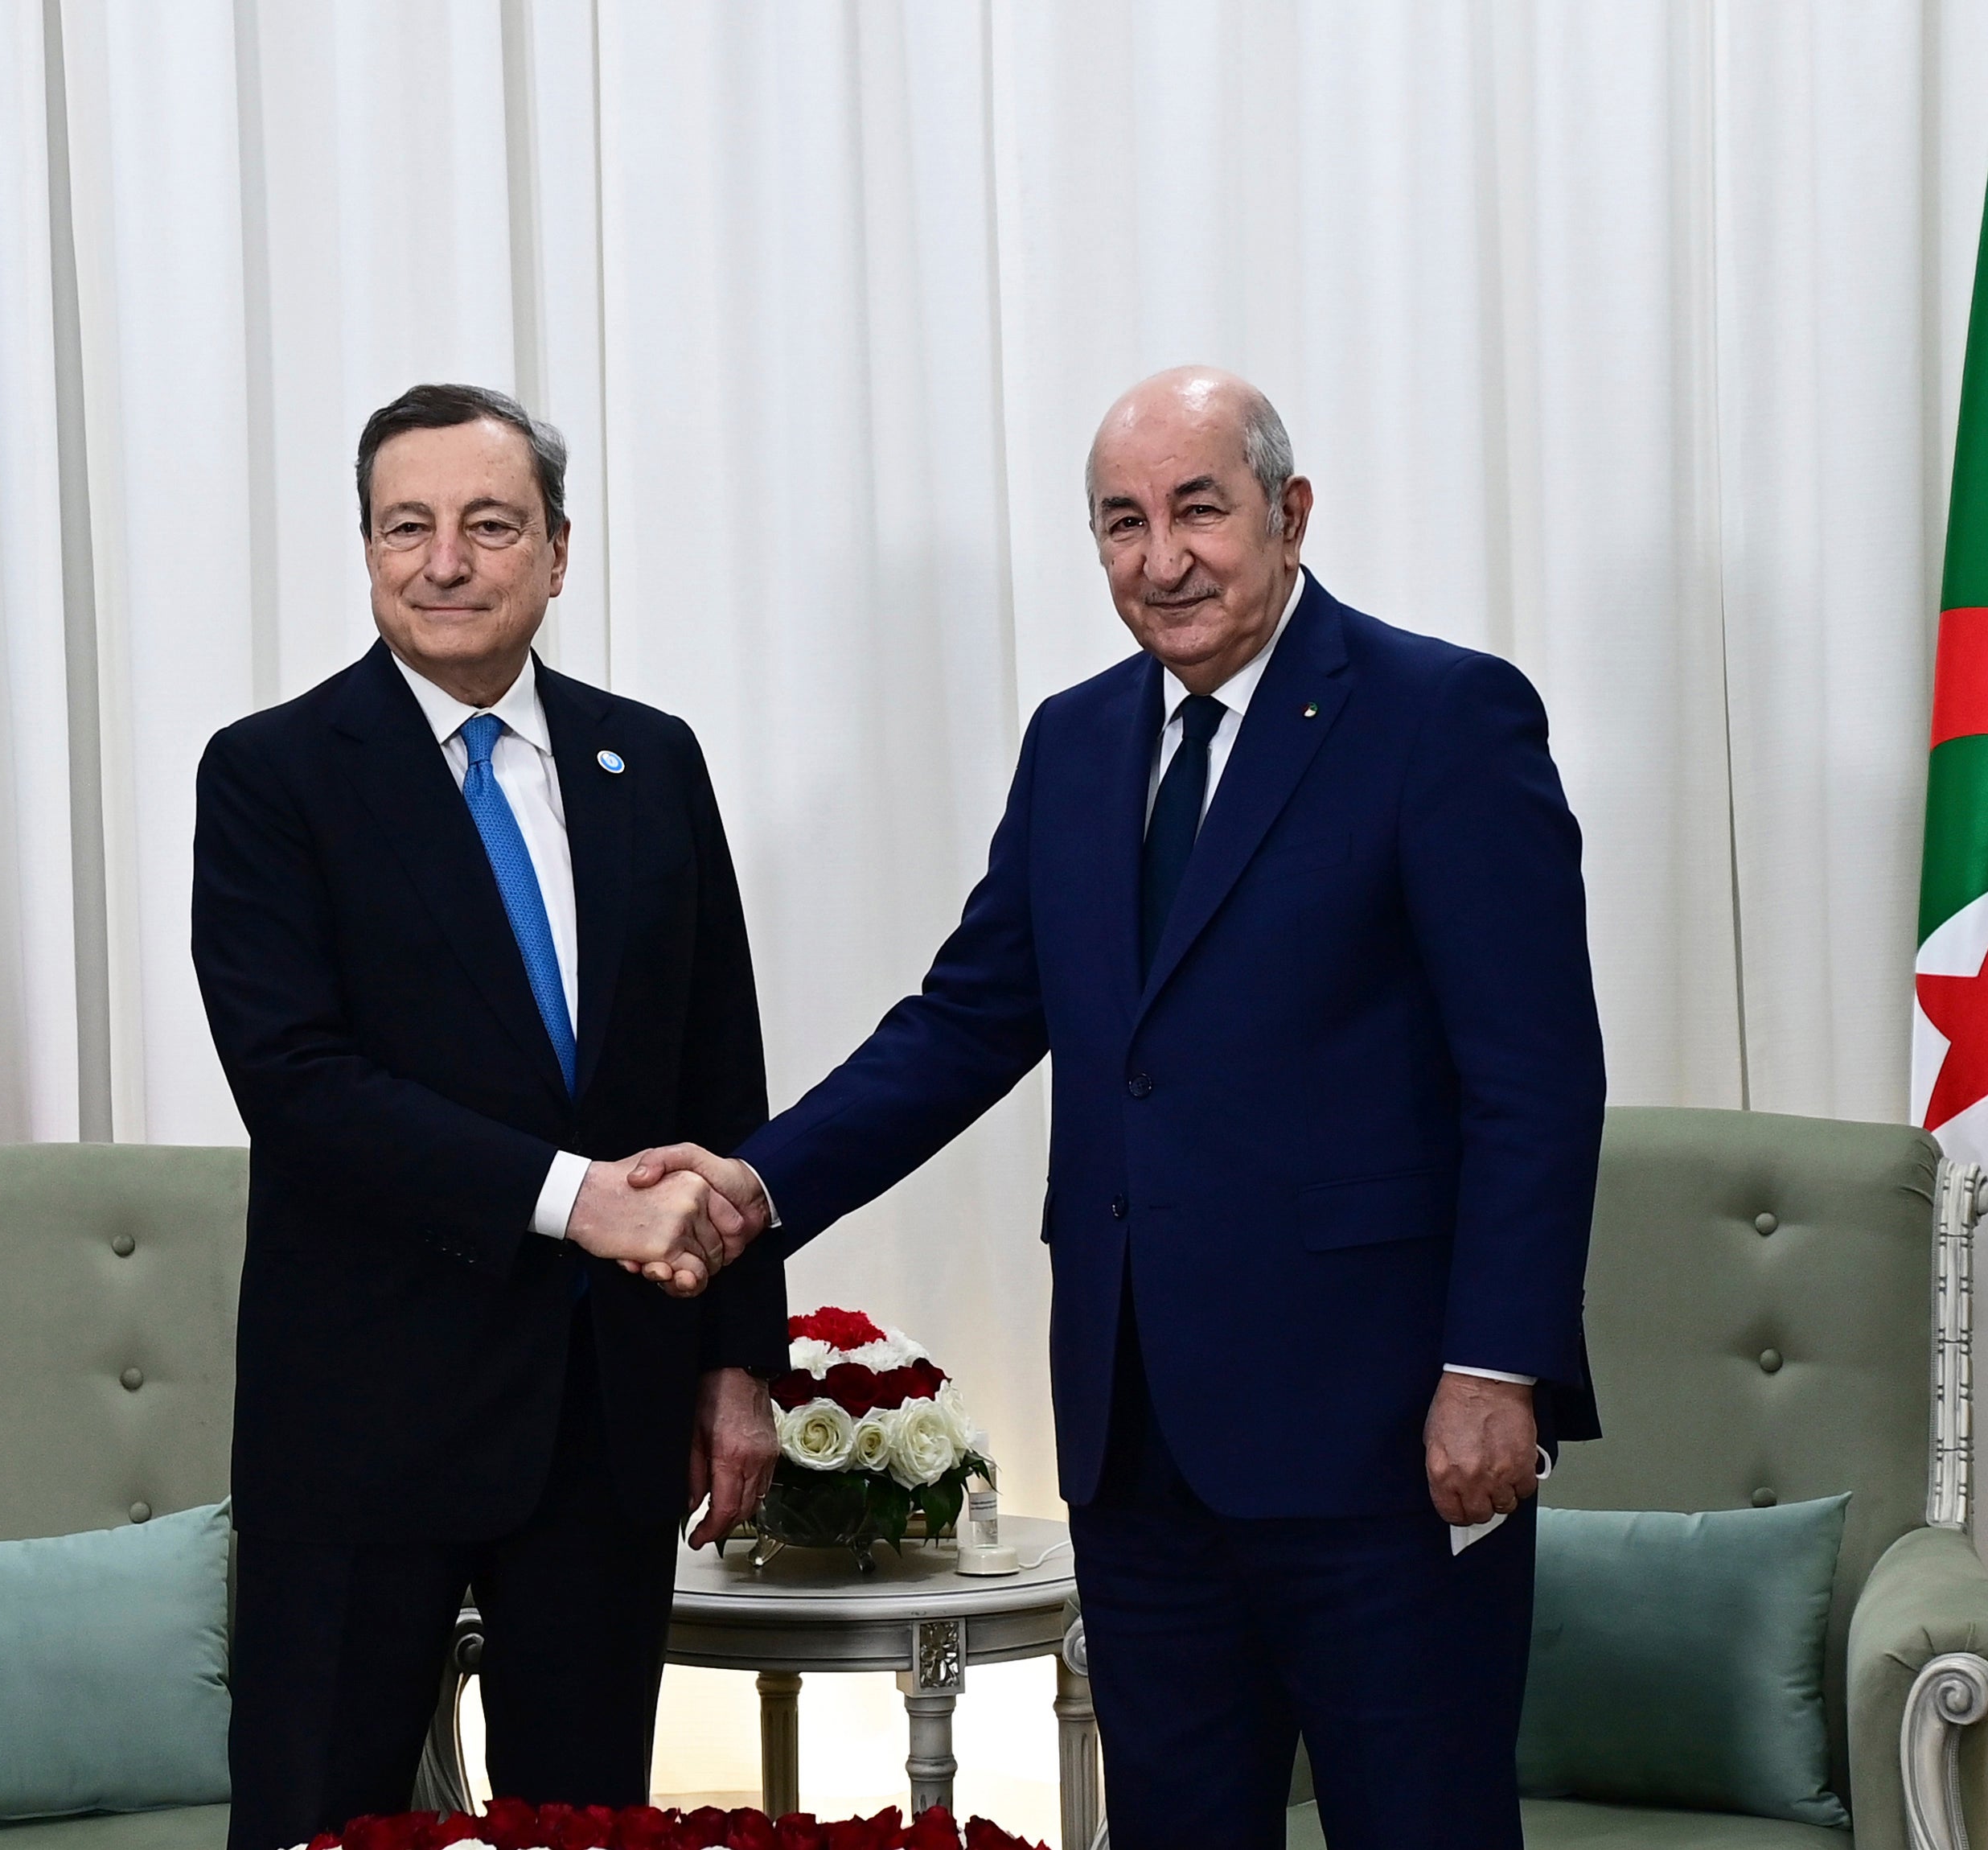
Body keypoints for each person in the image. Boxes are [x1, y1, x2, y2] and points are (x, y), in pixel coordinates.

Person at [636, 367, 1606, 1848]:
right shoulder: (1075, 743)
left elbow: (1536, 1078)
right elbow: (966, 1024)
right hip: (1137, 1438)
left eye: (1199, 510)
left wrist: (1498, 1365)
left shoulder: (1440, 716)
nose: (1162, 559)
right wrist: (758, 1187)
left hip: (1386, 1435)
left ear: (1289, 513)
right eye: (1122, 522)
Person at [191, 383, 785, 1850]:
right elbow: (298, 1083)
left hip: (608, 1411)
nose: (445, 560)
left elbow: (725, 1078)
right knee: (316, 1830)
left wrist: (739, 1364)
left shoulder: (653, 762)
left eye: (488, 525)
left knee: (585, 1831)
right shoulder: (271, 775)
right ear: (369, 547)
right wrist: (576, 1196)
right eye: (409, 526)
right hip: (360, 1420)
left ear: (560, 551)